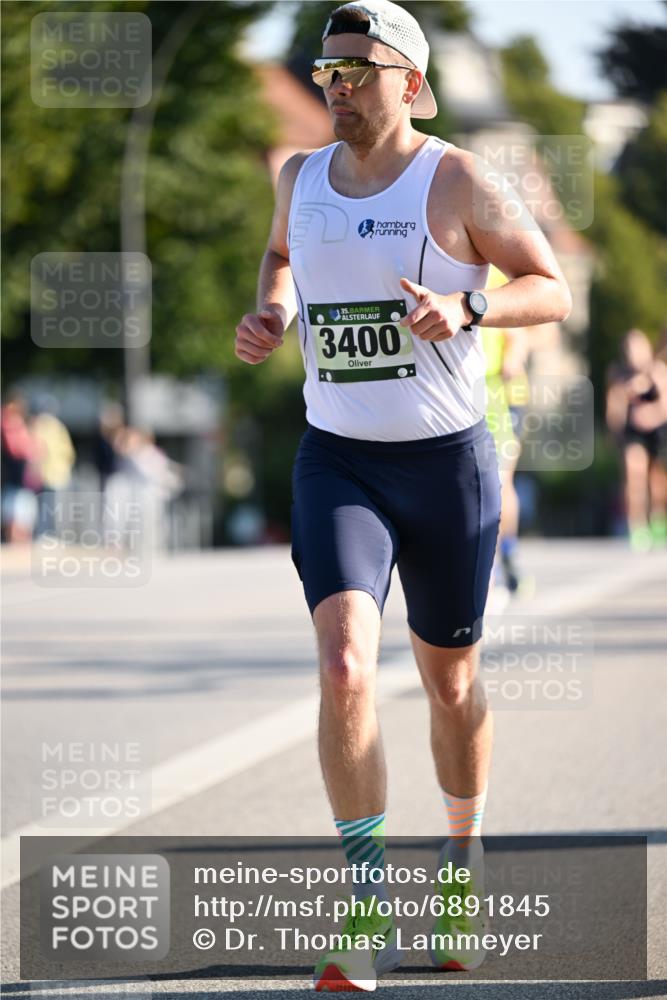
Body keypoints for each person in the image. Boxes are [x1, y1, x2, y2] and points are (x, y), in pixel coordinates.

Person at [235, 0, 571, 989]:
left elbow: (549, 286)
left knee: (450, 683)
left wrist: (469, 304)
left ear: (409, 84)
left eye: (356, 71)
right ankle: (365, 903)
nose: (334, 87)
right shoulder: (299, 177)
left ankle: (461, 862)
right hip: (338, 462)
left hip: (445, 465)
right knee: (344, 664)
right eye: (325, 71)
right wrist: (270, 311)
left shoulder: (456, 178)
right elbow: (282, 256)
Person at [606, 328, 667, 551]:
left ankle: (658, 519)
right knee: (634, 475)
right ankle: (637, 525)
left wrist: (649, 414)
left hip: (656, 432)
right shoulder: (619, 375)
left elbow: (664, 407)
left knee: (656, 481)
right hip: (633, 434)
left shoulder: (657, 371)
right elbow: (614, 409)